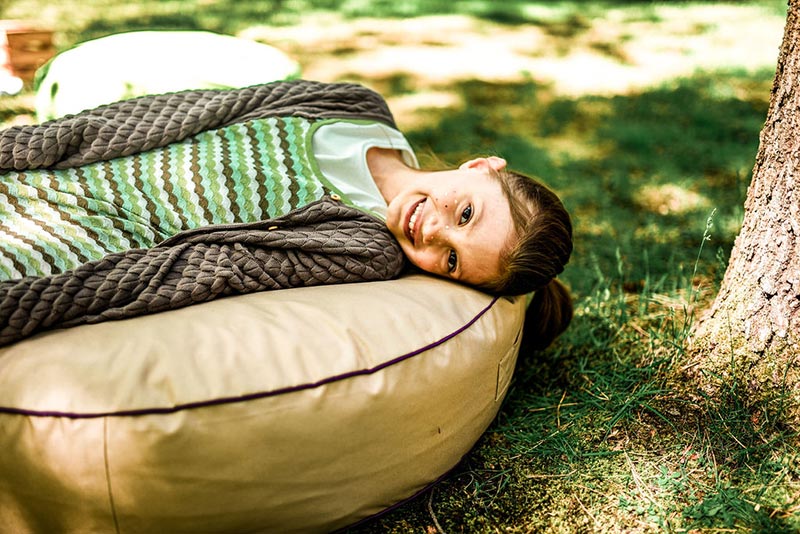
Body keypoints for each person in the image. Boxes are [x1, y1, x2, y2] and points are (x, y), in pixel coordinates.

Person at [0, 79, 572, 348]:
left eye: (450, 260)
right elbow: (185, 108)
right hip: (74, 163)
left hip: (79, 239)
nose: (433, 232)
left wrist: (40, 301)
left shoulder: (363, 248)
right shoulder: (355, 108)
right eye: (467, 215)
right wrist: (37, 146)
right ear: (479, 166)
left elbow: (218, 266)